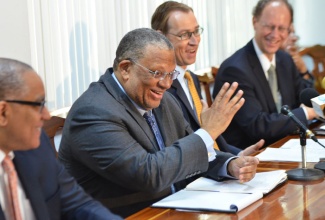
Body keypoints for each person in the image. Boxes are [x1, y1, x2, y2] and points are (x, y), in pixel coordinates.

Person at [58, 28, 259, 217]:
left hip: (175, 208)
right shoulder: (93, 112)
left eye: (170, 74)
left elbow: (189, 152)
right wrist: (208, 132)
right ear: (126, 68)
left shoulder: (163, 99)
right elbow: (148, 175)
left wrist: (229, 164)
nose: (166, 84)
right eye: (157, 73)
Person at [0, 58, 122, 220]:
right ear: (3, 113)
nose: (47, 115)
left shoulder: (37, 146)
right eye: (38, 105)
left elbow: (79, 204)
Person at [151, 1, 264, 156]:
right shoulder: (159, 87)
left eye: (196, 31)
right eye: (184, 35)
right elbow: (183, 146)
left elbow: (206, 135)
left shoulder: (191, 79)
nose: (194, 41)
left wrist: (237, 155)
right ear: (160, 37)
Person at [212, 0, 318, 149]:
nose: (275, 35)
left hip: (286, 145)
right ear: (255, 22)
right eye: (269, 26)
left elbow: (304, 97)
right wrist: (305, 113)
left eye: (282, 28)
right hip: (252, 157)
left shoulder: (285, 59)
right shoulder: (235, 70)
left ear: (289, 30)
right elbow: (258, 126)